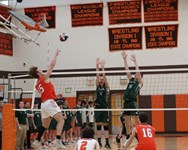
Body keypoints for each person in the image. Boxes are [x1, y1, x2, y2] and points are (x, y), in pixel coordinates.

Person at [29, 49, 65, 149]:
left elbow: (46, 92)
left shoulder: (37, 84)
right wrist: (56, 54)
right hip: (49, 102)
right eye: (39, 69)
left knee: (45, 125)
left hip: (43, 104)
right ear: (37, 72)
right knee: (61, 120)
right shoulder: (44, 77)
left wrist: (55, 96)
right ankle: (58, 139)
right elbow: (52, 65)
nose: (41, 69)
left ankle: (36, 141)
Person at [121, 51, 143, 140]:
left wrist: (135, 61)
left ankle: (140, 134)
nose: (137, 74)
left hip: (133, 102)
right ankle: (128, 136)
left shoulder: (139, 83)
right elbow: (127, 70)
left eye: (138, 74)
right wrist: (124, 59)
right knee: (126, 120)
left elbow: (138, 72)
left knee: (136, 119)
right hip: (126, 102)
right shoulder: (131, 80)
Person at [94, 57, 111, 148]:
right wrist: (97, 66)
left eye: (102, 79)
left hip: (104, 107)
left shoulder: (106, 87)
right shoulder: (97, 86)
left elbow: (104, 77)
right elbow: (97, 76)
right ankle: (99, 143)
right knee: (99, 126)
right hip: (97, 107)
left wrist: (103, 67)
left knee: (106, 126)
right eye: (100, 79)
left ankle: (107, 143)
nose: (101, 79)